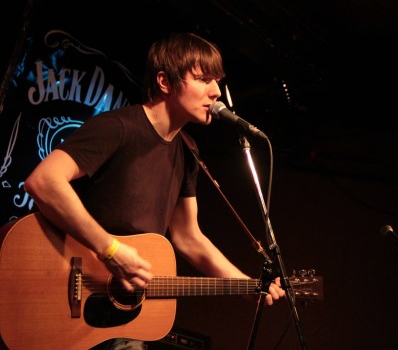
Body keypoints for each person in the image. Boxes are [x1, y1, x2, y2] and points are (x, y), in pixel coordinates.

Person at [23, 32, 285, 350]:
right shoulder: (119, 127)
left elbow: (189, 237)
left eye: (217, 81)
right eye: (203, 79)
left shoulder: (188, 151)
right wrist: (111, 251)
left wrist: (246, 285)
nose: (216, 91)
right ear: (164, 82)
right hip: (58, 282)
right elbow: (44, 181)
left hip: (116, 318)